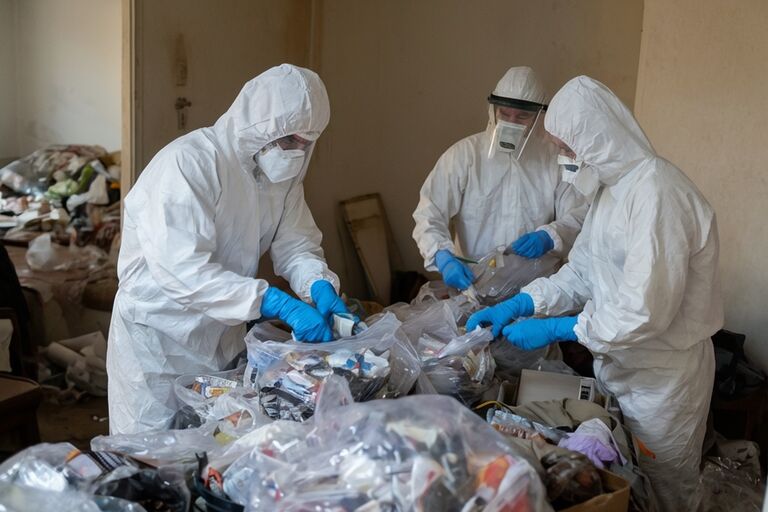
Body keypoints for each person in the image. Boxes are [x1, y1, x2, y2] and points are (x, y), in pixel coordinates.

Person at [467, 76, 723, 511]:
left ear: (597, 140)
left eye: (568, 149)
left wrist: (562, 327)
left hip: (661, 382)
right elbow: (583, 273)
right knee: (626, 482)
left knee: (666, 493)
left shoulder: (657, 193)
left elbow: (644, 312)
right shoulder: (611, 193)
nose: (564, 159)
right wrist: (524, 302)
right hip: (619, 367)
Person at [107, 64, 353, 434]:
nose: (297, 152)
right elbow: (182, 271)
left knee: (211, 449)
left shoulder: (281, 179)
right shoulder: (189, 163)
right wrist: (273, 301)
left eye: (307, 142)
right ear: (259, 126)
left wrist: (317, 282)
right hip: (157, 343)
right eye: (289, 140)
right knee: (149, 460)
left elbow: (296, 242)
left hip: (220, 340)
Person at [412, 66, 589, 291]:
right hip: (474, 285)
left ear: (539, 117)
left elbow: (579, 214)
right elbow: (429, 212)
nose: (511, 122)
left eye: (522, 116)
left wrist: (550, 236)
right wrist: (441, 255)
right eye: (504, 114)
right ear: (493, 110)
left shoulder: (555, 158)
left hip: (537, 291)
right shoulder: (464, 156)